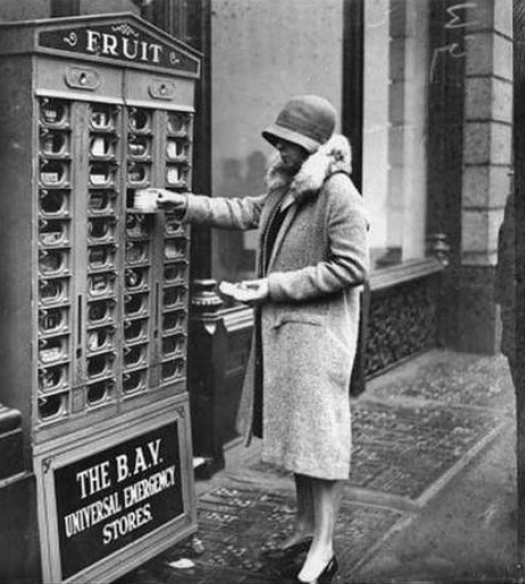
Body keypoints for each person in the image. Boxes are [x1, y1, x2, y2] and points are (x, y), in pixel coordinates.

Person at [152, 95, 369, 584]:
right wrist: (181, 204)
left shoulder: (339, 193)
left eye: (290, 144)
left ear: (315, 148)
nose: (280, 150)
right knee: (299, 443)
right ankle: (302, 528)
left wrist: (273, 286)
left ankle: (324, 547)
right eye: (278, 141)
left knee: (321, 446)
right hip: (287, 340)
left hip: (317, 341)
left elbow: (353, 268)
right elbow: (242, 210)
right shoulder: (287, 187)